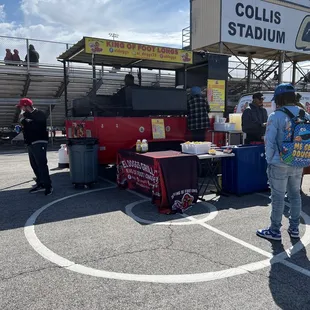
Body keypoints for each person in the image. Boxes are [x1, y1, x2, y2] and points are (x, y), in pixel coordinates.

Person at [257, 83, 310, 241]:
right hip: (298, 160)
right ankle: (294, 228)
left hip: (279, 162)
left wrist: (269, 160)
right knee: (295, 195)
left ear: (279, 98)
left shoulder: (276, 116)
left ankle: (274, 230)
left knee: (278, 197)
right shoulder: (305, 114)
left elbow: (270, 142)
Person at [17, 98, 53, 195]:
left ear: (26, 105)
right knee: (34, 165)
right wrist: (22, 122)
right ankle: (40, 183)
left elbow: (36, 127)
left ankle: (48, 185)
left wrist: (24, 121)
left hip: (39, 141)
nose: (21, 108)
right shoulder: (25, 115)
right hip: (30, 142)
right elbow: (26, 126)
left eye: (22, 106)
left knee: (41, 164)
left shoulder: (39, 114)